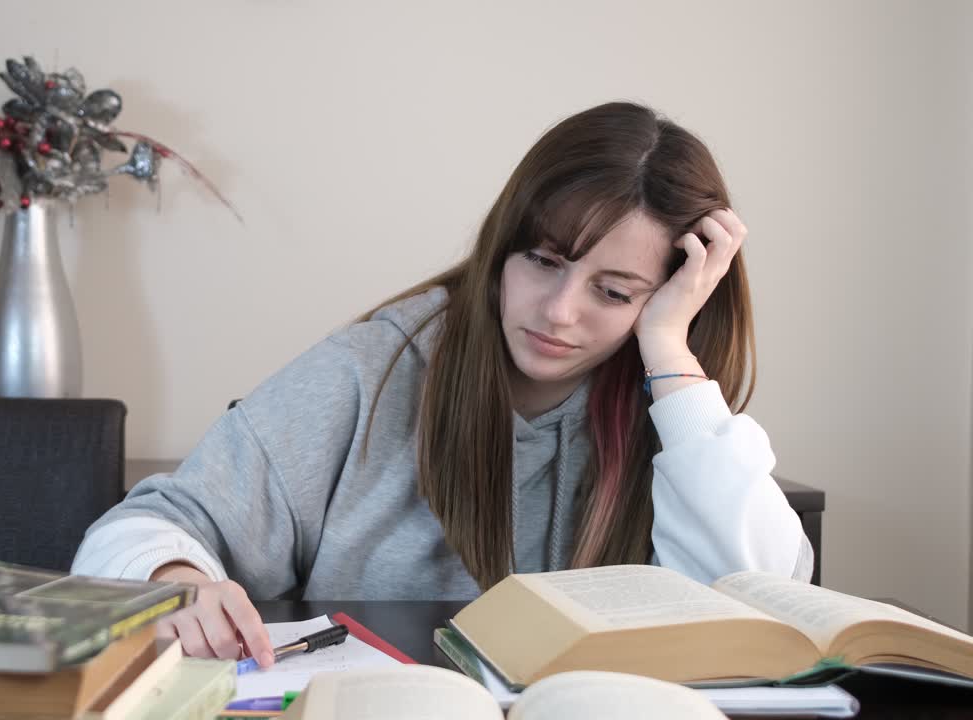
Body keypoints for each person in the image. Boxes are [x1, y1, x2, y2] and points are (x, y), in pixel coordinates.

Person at [72, 101, 815, 669]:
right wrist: (180, 583)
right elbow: (144, 528)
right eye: (543, 261)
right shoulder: (373, 369)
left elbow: (755, 602)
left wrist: (670, 354)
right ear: (502, 247)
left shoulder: (673, 404)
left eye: (615, 292)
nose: (560, 311)